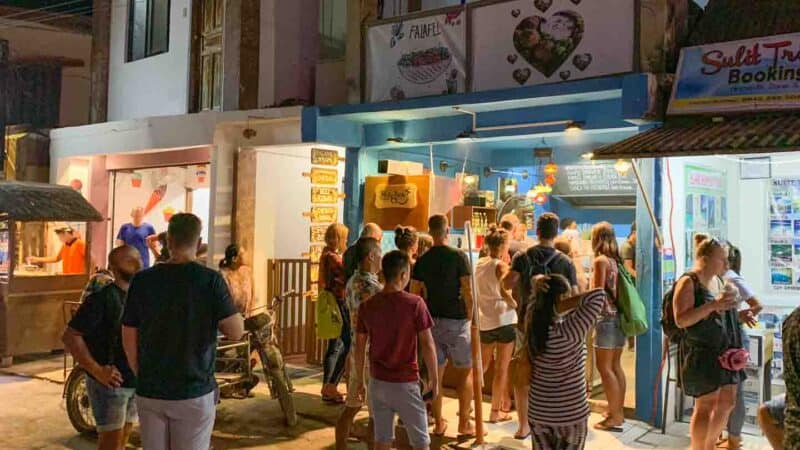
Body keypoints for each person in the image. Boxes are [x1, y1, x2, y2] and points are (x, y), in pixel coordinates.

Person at [121, 213, 244, 450]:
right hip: (193, 390)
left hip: (151, 390)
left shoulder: (142, 280)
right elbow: (236, 331)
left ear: (169, 241)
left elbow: (128, 330)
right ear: (198, 244)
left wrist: (140, 371)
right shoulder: (210, 280)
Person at [503, 212, 579, 440]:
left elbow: (507, 282)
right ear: (556, 233)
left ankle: (523, 425)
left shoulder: (522, 257)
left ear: (537, 231)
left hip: (526, 323)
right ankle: (553, 420)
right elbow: (574, 296)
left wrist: (514, 299)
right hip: (556, 326)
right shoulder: (566, 262)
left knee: (523, 372)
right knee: (554, 373)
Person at [355, 250, 438, 450]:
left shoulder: (367, 306)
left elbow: (359, 347)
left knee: (382, 440)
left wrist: (360, 380)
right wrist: (435, 379)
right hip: (406, 382)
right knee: (420, 442)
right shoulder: (415, 304)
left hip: (378, 382)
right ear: (403, 275)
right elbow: (427, 344)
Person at [63, 246, 143, 450]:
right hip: (110, 384)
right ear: (113, 268)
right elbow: (71, 336)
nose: (134, 263)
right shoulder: (102, 299)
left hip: (134, 381)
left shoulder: (141, 297)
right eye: (128, 260)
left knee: (123, 439)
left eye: (136, 259)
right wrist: (97, 370)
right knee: (111, 443)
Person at [673, 236, 742, 450]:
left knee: (727, 401)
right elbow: (681, 319)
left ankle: (709, 445)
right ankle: (699, 447)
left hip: (723, 351)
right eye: (722, 259)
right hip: (700, 352)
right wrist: (713, 306)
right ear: (706, 258)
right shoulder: (688, 282)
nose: (726, 264)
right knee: (705, 404)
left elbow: (718, 312)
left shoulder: (718, 281)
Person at [411, 214, 476, 437]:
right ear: (447, 231)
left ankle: (438, 424)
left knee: (434, 375)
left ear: (430, 231)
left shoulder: (422, 260)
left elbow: (415, 293)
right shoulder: (458, 257)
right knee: (466, 373)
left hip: (431, 323)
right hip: (457, 322)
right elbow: (467, 289)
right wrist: (471, 315)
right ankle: (464, 423)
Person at [528, 275, 605, 450]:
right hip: (571, 413)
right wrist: (562, 304)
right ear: (563, 298)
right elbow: (599, 294)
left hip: (538, 411)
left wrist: (544, 296)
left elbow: (536, 300)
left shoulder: (533, 322)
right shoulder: (571, 330)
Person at [336, 237, 383, 450]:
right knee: (376, 413)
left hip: (356, 349)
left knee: (352, 406)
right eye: (379, 253)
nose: (381, 258)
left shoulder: (353, 281)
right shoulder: (370, 287)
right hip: (371, 352)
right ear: (371, 256)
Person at [720, 241, 763, 450]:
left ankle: (734, 439)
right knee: (724, 392)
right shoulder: (718, 278)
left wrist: (738, 317)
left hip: (734, 341)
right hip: (723, 340)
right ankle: (726, 435)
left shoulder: (731, 277)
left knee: (735, 393)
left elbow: (757, 304)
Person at [476, 225, 517, 423]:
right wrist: (514, 303)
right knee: (502, 368)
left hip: (486, 321)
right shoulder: (500, 266)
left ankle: (472, 405)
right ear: (503, 246)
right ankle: (495, 413)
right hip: (504, 320)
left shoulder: (480, 263)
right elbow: (504, 287)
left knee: (481, 367)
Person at [590, 222, 626, 432]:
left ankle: (615, 416)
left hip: (604, 319)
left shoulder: (600, 261)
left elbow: (597, 293)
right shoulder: (615, 261)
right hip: (619, 318)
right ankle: (617, 410)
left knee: (605, 369)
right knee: (616, 366)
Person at [320, 223, 351, 403]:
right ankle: (331, 386)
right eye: (344, 237)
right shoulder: (333, 258)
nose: (346, 240)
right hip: (339, 303)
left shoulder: (325, 254)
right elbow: (345, 275)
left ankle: (327, 386)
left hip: (331, 303)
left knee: (333, 346)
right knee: (348, 343)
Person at [219, 244, 254, 316]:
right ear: (234, 259)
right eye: (242, 254)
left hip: (246, 318)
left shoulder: (247, 271)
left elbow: (252, 296)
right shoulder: (223, 275)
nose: (246, 255)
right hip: (230, 319)